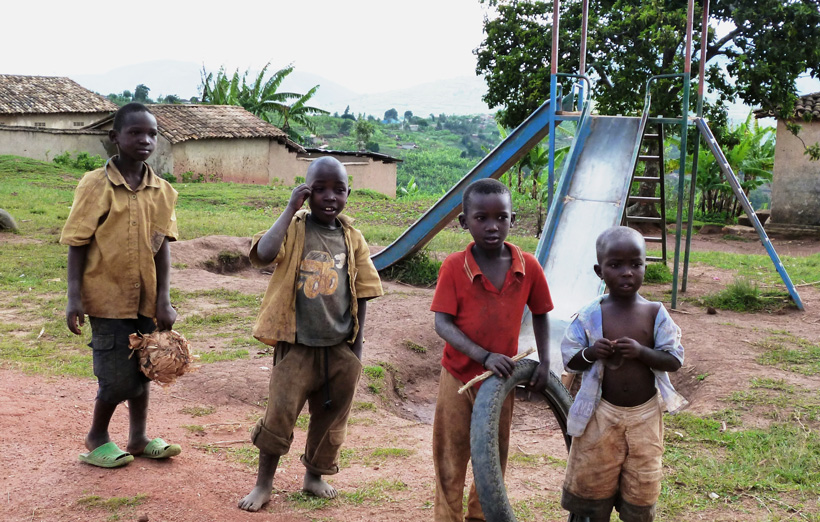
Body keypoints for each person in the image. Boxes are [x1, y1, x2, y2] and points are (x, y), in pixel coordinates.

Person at [238, 156, 384, 512]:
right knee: (279, 415)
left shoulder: (353, 238)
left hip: (339, 348)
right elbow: (265, 253)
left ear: (348, 193)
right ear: (306, 192)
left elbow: (363, 292)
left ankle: (314, 476)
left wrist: (357, 350)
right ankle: (263, 484)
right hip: (297, 346)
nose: (329, 197)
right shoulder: (295, 228)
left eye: (338, 189)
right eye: (319, 189)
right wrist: (290, 208)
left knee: (330, 419)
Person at [61, 102, 182, 468]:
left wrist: (163, 299)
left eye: (152, 134)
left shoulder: (162, 191)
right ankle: (96, 437)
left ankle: (138, 438)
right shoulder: (95, 185)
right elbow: (77, 243)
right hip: (106, 299)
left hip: (145, 300)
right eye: (135, 133)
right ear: (115, 137)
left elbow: (161, 248)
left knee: (144, 370)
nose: (145, 140)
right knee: (116, 378)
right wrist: (73, 297)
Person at [430, 178, 553, 522]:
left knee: (493, 460)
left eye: (501, 217)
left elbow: (541, 313)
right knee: (450, 457)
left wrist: (544, 361)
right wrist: (483, 356)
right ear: (464, 222)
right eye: (481, 218)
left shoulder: (528, 266)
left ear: (513, 219)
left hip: (501, 382)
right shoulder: (454, 266)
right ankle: (447, 518)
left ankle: (481, 516)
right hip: (458, 377)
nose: (492, 226)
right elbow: (442, 324)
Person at [560, 226, 688, 522]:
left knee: (642, 482)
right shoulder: (589, 315)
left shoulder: (655, 313)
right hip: (600, 415)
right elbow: (570, 361)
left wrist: (642, 352)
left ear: (645, 266)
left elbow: (674, 360)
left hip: (645, 416)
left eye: (635, 264)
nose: (627, 272)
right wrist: (592, 353)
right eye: (616, 265)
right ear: (599, 271)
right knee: (593, 479)